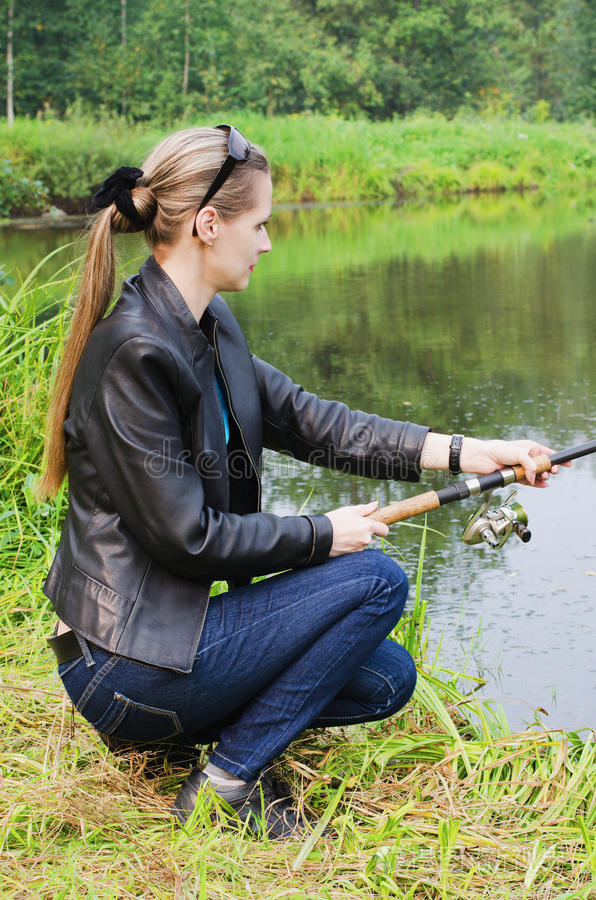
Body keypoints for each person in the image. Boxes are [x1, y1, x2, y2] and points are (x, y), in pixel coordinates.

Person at [37, 125, 559, 840]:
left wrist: (476, 451)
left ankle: (192, 740)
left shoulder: (206, 325)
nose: (269, 242)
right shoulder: (135, 351)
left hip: (162, 641)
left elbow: (319, 425)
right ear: (208, 223)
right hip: (118, 666)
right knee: (375, 580)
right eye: (260, 225)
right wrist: (323, 535)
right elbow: (187, 538)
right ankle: (225, 783)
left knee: (385, 679)